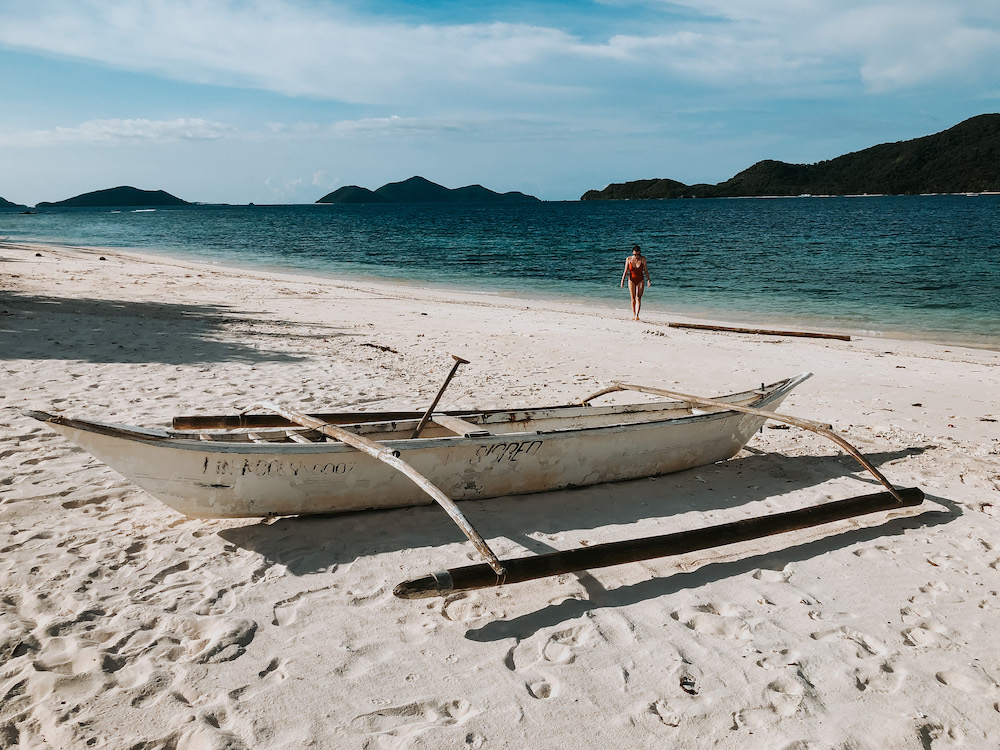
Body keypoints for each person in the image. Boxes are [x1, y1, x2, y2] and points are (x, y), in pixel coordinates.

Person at [620, 245, 650, 320]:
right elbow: (626, 271)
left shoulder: (643, 259)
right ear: (632, 253)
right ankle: (634, 314)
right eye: (635, 255)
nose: (636, 256)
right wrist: (622, 280)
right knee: (633, 298)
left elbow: (645, 270)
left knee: (638, 298)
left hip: (641, 280)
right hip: (631, 280)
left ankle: (637, 315)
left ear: (640, 253)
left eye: (638, 255)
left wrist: (648, 280)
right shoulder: (628, 259)